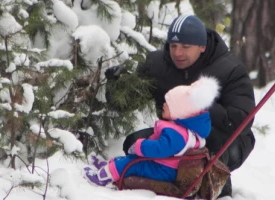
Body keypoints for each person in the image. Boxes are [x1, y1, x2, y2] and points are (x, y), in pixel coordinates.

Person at [105, 15, 256, 197]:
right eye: (173, 46)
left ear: (202, 47)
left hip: (227, 140)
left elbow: (241, 121)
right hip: (176, 135)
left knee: (204, 153)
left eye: (186, 47)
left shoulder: (230, 69)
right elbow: (124, 103)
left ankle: (216, 188)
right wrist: (115, 83)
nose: (177, 53)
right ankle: (159, 188)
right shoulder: (158, 64)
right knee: (134, 142)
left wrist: (200, 102)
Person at [85, 76, 219, 186]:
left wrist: (140, 146)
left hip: (164, 169)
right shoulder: (185, 130)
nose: (164, 105)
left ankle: (102, 177)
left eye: (169, 104)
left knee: (133, 164)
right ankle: (109, 166)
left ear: (180, 112)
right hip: (166, 165)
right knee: (132, 159)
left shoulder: (177, 134)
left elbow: (161, 149)